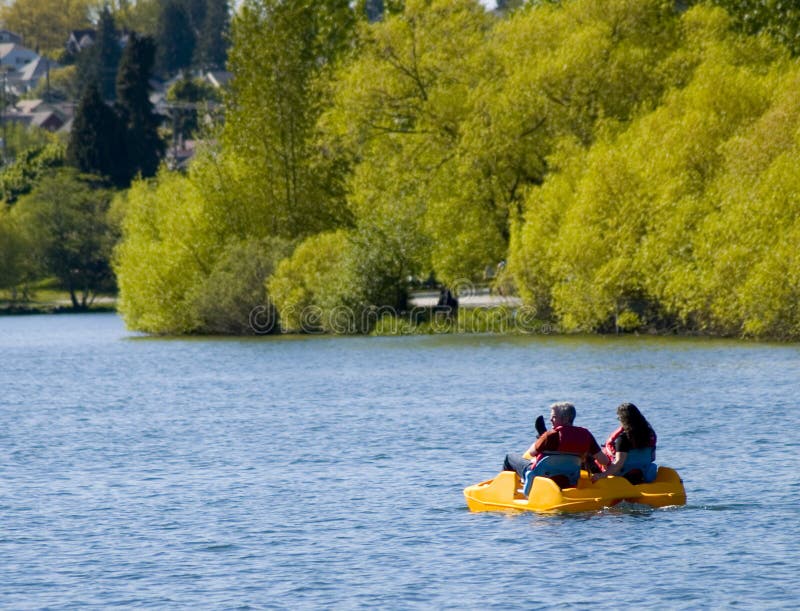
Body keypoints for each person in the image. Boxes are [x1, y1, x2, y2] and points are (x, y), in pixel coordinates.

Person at [503, 402, 609, 484]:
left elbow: (531, 453)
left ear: (566, 418)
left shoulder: (550, 435)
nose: (550, 419)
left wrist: (541, 439)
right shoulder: (586, 435)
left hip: (541, 477)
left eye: (554, 417)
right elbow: (604, 460)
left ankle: (506, 488)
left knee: (509, 458)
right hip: (568, 478)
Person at [593, 402, 657, 484]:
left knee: (590, 457)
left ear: (623, 419)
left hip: (624, 477)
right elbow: (653, 458)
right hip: (643, 475)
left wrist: (603, 475)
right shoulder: (650, 435)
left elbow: (618, 463)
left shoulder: (623, 438)